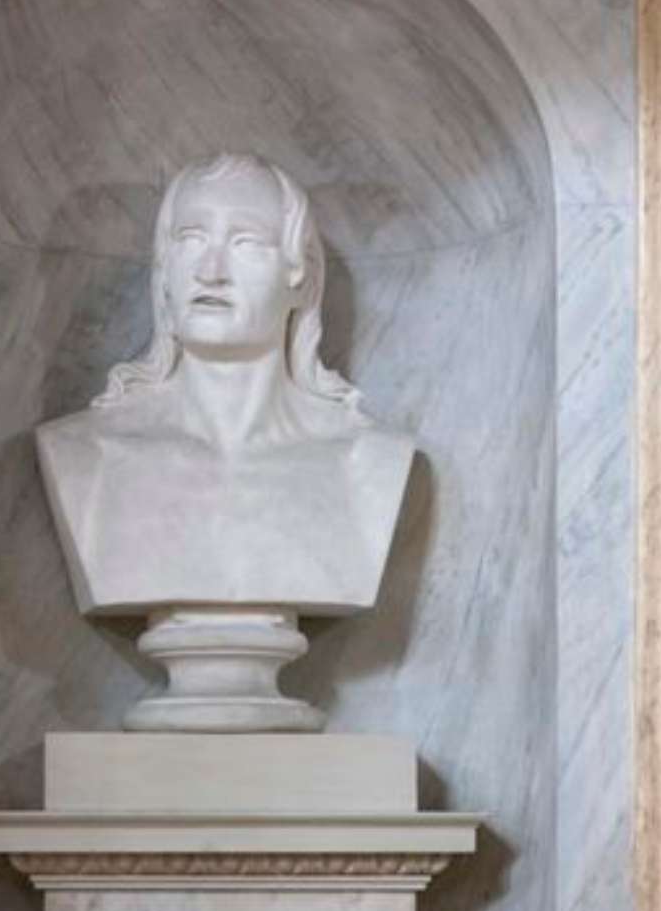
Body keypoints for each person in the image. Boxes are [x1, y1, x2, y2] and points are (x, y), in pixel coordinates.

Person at [37, 152, 414, 623]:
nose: (211, 270)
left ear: (300, 279)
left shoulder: (366, 464)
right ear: (164, 272)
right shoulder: (89, 456)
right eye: (191, 239)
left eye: (246, 243)